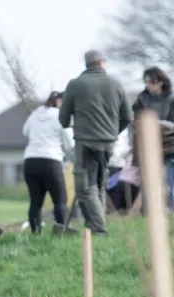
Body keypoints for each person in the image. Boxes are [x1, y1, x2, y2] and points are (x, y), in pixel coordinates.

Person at [59, 50, 132, 236]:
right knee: (99, 183)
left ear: (86, 64)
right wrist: (112, 132)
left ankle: (98, 228)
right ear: (103, 62)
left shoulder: (75, 84)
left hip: (85, 143)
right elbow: (127, 116)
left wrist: (73, 123)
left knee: (85, 186)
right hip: (108, 143)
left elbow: (63, 120)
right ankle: (96, 224)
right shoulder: (115, 84)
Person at [132, 66, 174, 211]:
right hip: (149, 148)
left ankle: (168, 215)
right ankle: (151, 217)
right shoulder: (141, 100)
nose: (148, 85)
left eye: (151, 82)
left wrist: (171, 128)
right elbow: (135, 120)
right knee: (150, 185)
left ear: (160, 82)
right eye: (146, 82)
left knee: (167, 185)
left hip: (170, 149)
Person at [22, 91, 74, 234]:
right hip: (51, 160)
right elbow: (70, 143)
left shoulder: (34, 114)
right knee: (60, 200)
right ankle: (60, 232)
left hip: (30, 161)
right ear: (60, 102)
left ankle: (35, 233)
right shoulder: (60, 115)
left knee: (35, 201)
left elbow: (25, 132)